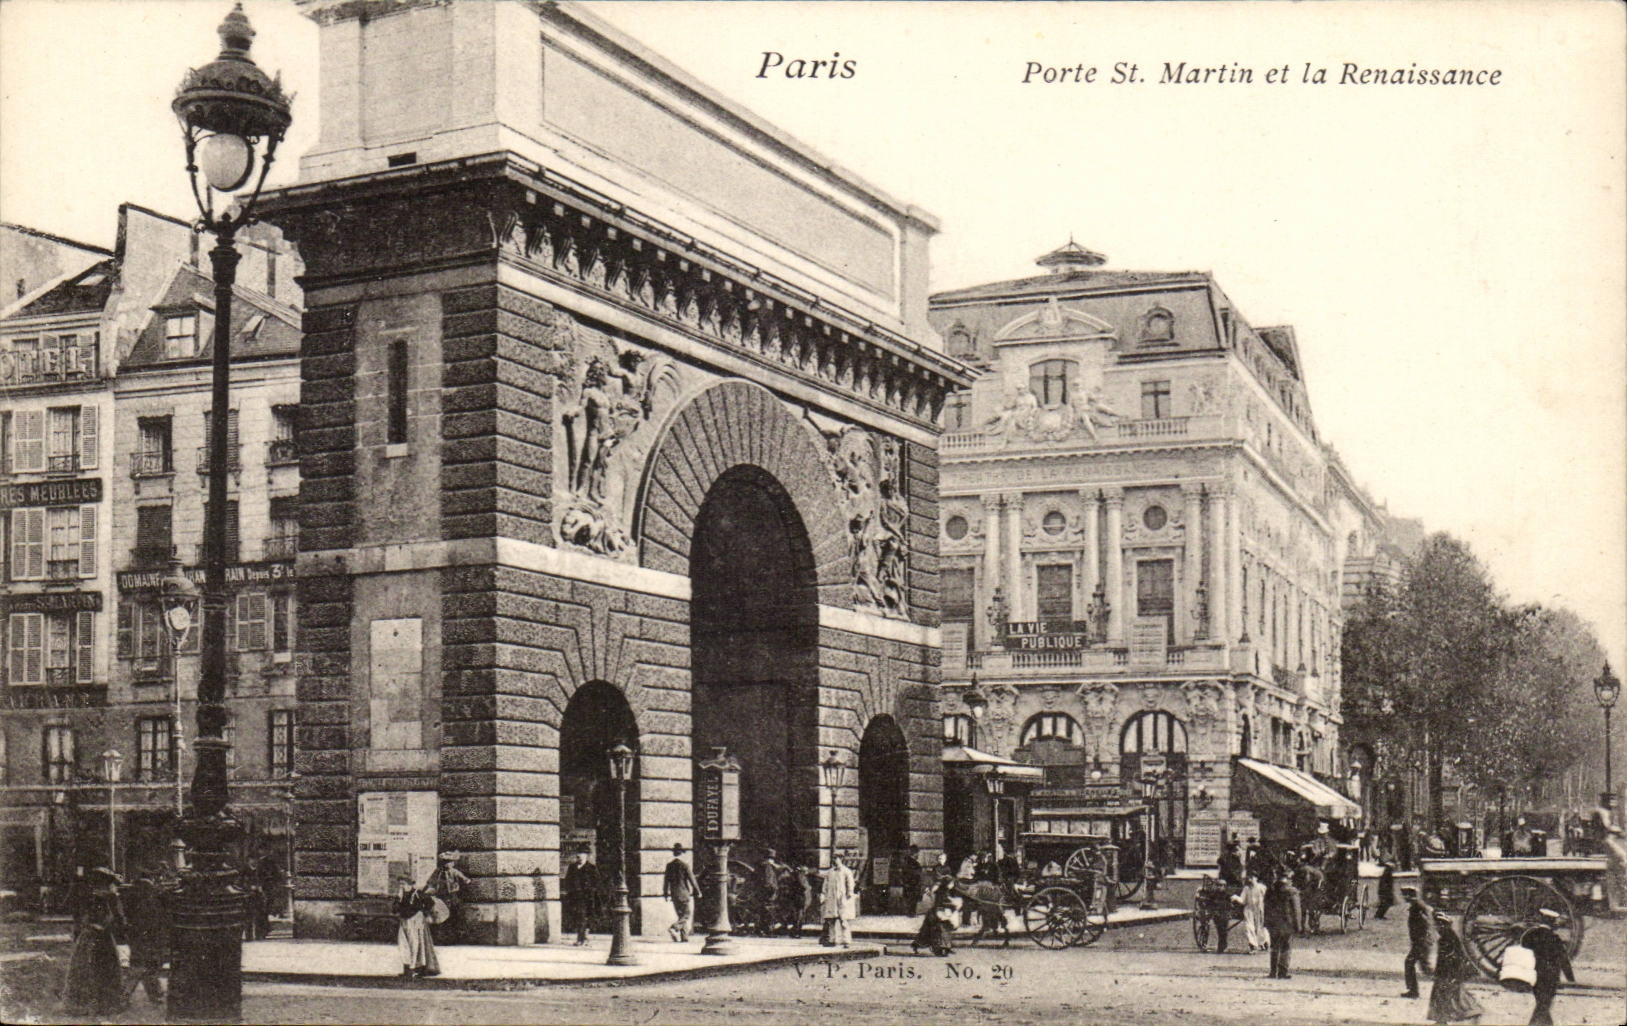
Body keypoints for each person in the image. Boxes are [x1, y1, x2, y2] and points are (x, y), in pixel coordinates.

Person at [62, 867, 125, 1017]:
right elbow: (117, 918)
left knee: (86, 966)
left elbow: (81, 916)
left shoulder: (90, 896)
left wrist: (87, 926)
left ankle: (85, 1003)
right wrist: (104, 926)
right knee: (104, 967)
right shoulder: (110, 897)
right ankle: (105, 1003)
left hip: (89, 935)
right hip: (102, 936)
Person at [122, 868, 170, 1004]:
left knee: (141, 964)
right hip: (150, 934)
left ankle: (154, 994)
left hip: (136, 933)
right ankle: (125, 995)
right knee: (146, 965)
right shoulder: (152, 891)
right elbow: (158, 915)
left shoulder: (131, 891)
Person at [1427, 910, 1484, 1023]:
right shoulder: (1447, 937)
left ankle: (1471, 1011)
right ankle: (1442, 1019)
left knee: (1449, 994)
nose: (1437, 928)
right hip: (1447, 972)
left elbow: (1452, 958)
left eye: (1439, 925)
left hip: (1449, 972)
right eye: (1437, 925)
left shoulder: (1447, 938)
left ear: (1445, 925)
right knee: (1451, 994)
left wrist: (1446, 973)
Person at [1520, 908, 1575, 1026]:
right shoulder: (1555, 938)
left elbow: (1522, 951)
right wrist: (1570, 977)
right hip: (1551, 977)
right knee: (1544, 1005)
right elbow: (1563, 959)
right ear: (1552, 922)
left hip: (1534, 975)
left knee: (1542, 1003)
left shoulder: (1529, 935)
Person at [394, 873, 440, 978]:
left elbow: (430, 903)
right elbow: (395, 909)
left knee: (415, 944)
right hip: (404, 920)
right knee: (403, 944)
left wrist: (425, 914)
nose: (401, 886)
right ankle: (407, 968)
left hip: (415, 920)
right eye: (400, 884)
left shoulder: (417, 893)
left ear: (409, 884)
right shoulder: (400, 895)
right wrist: (398, 898)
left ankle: (414, 969)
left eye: (403, 883)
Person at [910, 870, 961, 956]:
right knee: (938, 931)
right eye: (951, 883)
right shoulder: (942, 892)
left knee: (942, 931)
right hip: (937, 913)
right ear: (947, 884)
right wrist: (953, 904)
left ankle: (946, 947)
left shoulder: (945, 891)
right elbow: (941, 903)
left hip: (941, 912)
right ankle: (941, 947)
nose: (952, 885)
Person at [426, 851, 472, 945]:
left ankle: (455, 937)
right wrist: (429, 889)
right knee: (441, 916)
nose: (447, 864)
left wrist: (465, 881)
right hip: (441, 896)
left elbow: (464, 879)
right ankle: (442, 938)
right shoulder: (438, 872)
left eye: (449, 862)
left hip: (452, 896)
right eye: (445, 861)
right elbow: (430, 881)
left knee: (455, 916)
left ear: (453, 863)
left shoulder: (454, 872)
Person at [662, 843, 701, 942]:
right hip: (683, 894)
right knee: (686, 914)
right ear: (682, 853)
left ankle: (684, 937)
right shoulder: (684, 865)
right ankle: (674, 927)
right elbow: (692, 880)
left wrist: (665, 893)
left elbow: (666, 881)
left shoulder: (669, 866)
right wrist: (698, 891)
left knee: (681, 915)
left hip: (674, 894)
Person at [1401, 885, 1435, 998]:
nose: (1404, 897)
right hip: (1421, 941)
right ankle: (1413, 990)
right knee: (1424, 968)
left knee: (1411, 963)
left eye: (1405, 895)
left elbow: (1424, 924)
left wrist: (1420, 940)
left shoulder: (1417, 907)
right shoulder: (1417, 906)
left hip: (1420, 942)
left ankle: (1413, 991)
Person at [563, 850, 602, 946]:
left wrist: (591, 891)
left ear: (586, 856)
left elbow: (597, 882)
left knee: (585, 917)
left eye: (581, 855)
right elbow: (568, 880)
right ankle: (582, 938)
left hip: (587, 897)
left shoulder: (592, 868)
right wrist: (570, 891)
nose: (579, 857)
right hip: (575, 897)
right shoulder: (572, 867)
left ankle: (583, 938)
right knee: (578, 917)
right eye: (578, 855)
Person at [1263, 869, 1296, 979]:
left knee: (1274, 946)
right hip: (1287, 923)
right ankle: (1283, 972)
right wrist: (1298, 926)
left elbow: (1265, 907)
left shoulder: (1270, 890)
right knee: (1286, 947)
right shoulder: (1291, 891)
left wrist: (1266, 922)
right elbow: (1296, 910)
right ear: (1288, 879)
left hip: (1273, 923)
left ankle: (1273, 972)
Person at [820, 852, 856, 948]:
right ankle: (833, 939)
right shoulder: (830, 872)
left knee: (843, 921)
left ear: (841, 859)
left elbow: (850, 884)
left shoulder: (846, 871)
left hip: (842, 899)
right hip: (831, 899)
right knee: (831, 921)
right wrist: (824, 894)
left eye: (836, 858)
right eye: (833, 858)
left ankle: (846, 941)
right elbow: (825, 885)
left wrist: (849, 894)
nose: (834, 860)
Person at [778, 862, 812, 937]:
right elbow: (803, 886)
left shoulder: (796, 875)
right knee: (799, 915)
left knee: (797, 914)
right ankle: (796, 931)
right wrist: (808, 887)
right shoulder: (801, 875)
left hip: (798, 897)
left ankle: (795, 931)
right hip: (801, 898)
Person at [1241, 871, 1268, 954]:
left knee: (1261, 926)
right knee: (1249, 927)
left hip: (1259, 909)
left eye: (1251, 877)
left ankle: (1264, 942)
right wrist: (1235, 898)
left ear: (1256, 878)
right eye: (1248, 878)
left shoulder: (1262, 887)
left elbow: (1267, 898)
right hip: (1249, 910)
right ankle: (1253, 945)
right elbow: (1242, 900)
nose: (1249, 880)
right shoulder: (1246, 889)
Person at [895, 845, 924, 916]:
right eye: (917, 853)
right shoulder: (914, 863)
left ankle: (911, 912)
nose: (918, 855)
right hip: (913, 885)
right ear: (915, 853)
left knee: (909, 900)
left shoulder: (906, 862)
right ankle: (911, 913)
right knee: (912, 900)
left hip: (908, 885)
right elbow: (916, 875)